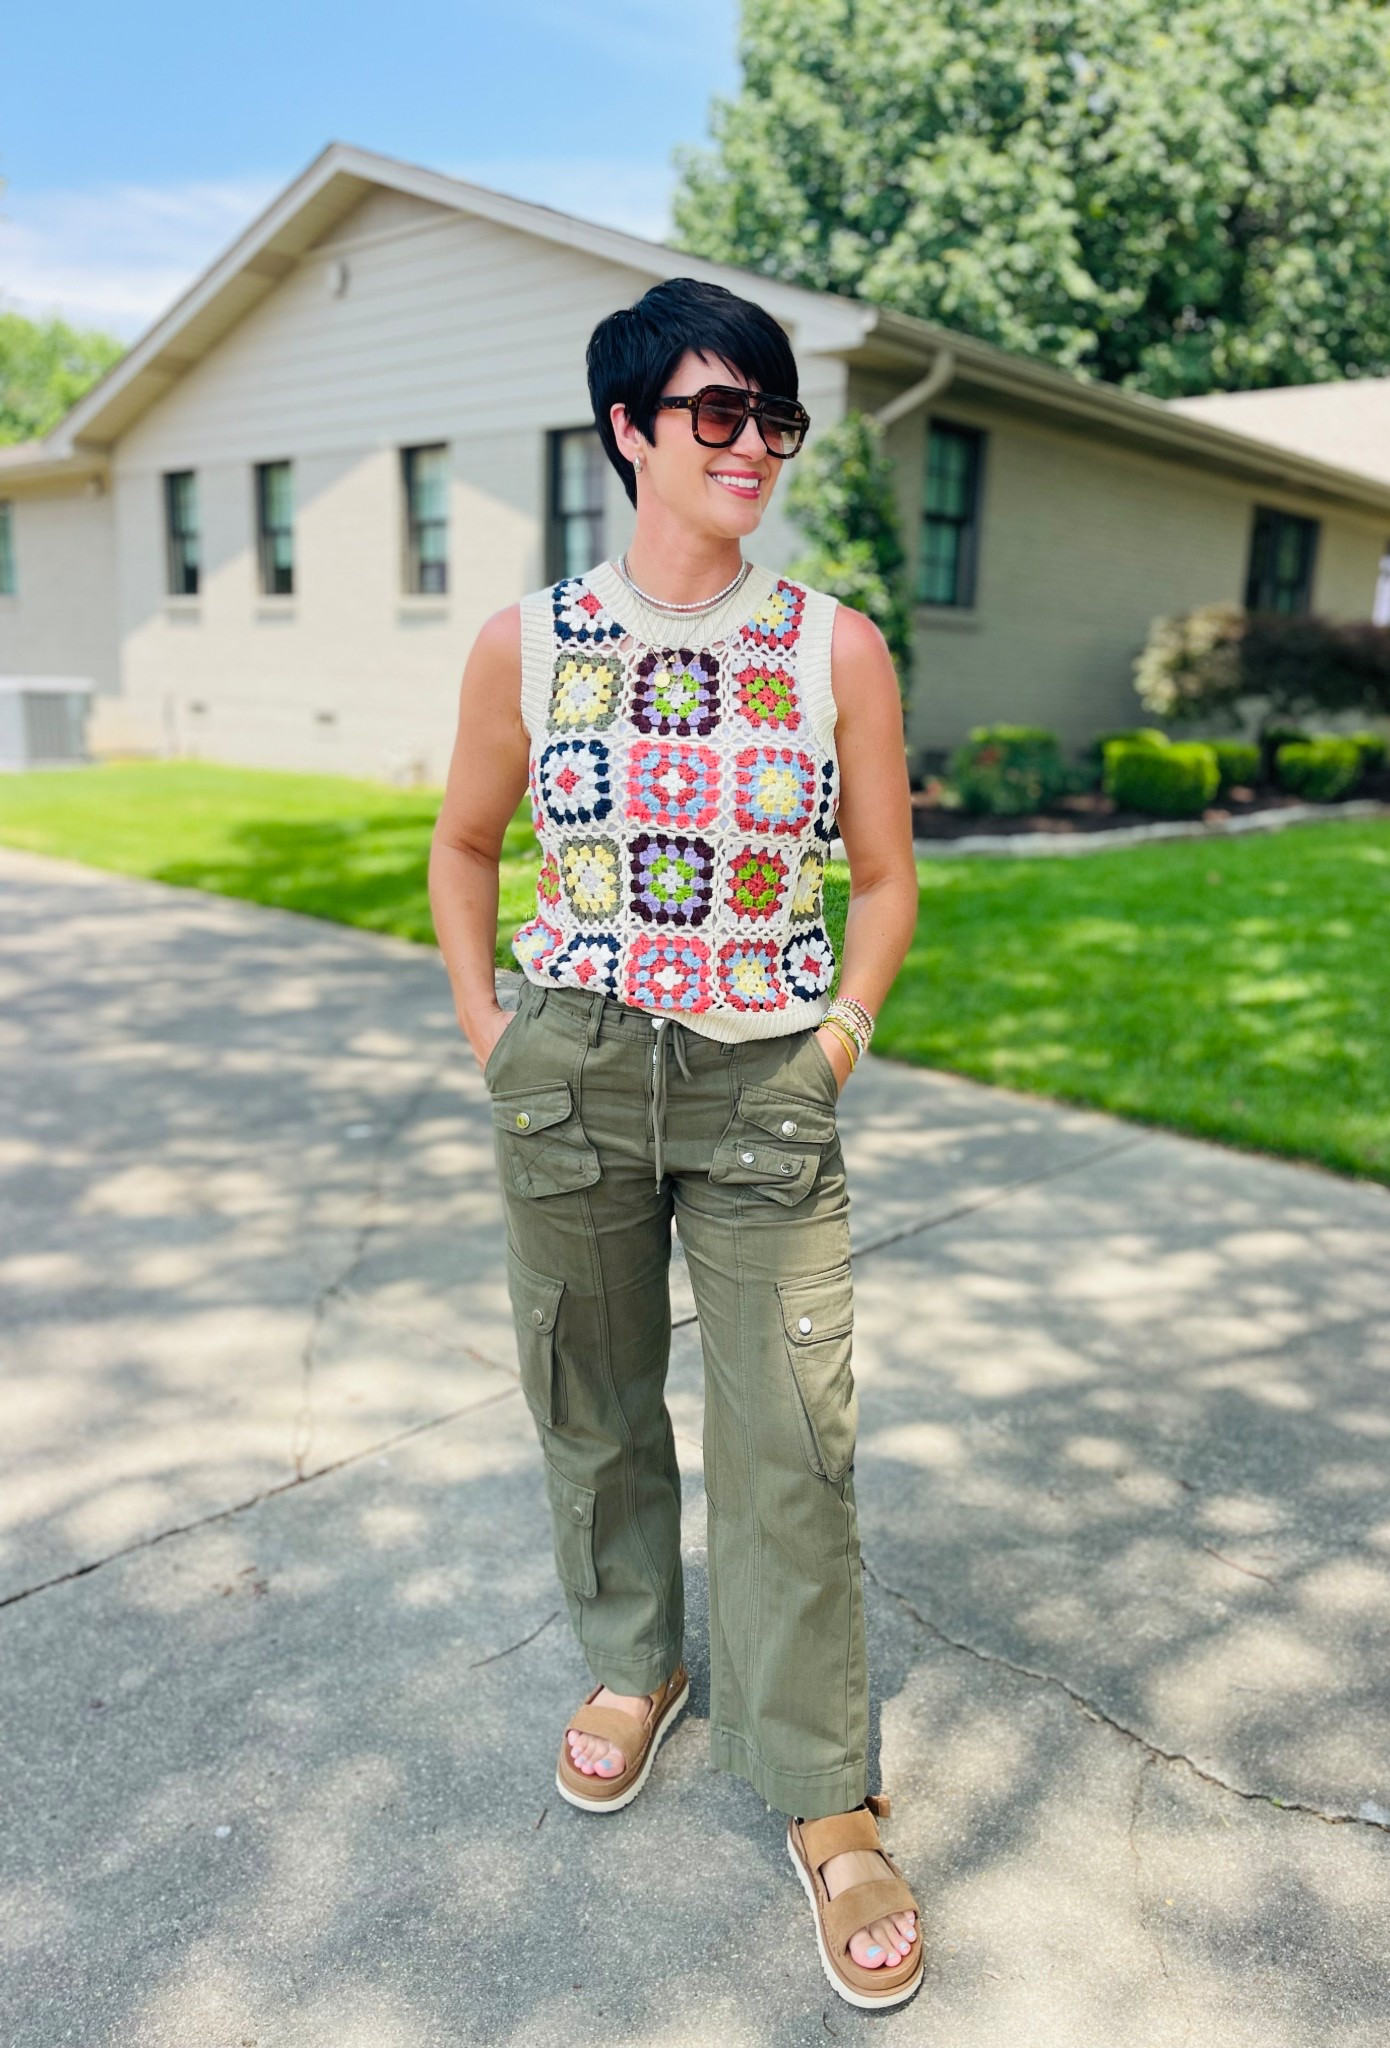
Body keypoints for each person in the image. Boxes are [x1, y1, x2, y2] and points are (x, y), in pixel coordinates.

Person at [428, 276, 922, 2010]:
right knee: (592, 1392)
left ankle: (827, 1793)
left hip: (764, 1076)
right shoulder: (531, 642)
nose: (754, 448)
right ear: (629, 428)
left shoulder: (833, 645)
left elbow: (884, 878)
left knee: (795, 1431)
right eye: (719, 414)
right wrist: (501, 1040)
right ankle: (638, 1666)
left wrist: (838, 1040)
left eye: (774, 420)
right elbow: (466, 847)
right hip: (570, 1065)